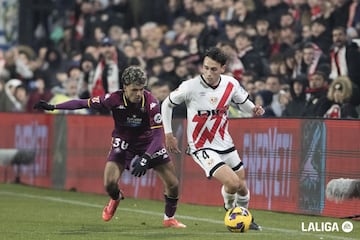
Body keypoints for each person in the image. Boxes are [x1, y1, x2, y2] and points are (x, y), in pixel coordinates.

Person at [33, 66, 186, 228]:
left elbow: (157, 136)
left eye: (141, 89)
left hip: (147, 142)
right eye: (134, 90)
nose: (139, 94)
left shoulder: (152, 102)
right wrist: (54, 107)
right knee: (109, 184)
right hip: (124, 141)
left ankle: (169, 218)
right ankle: (116, 197)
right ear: (124, 87)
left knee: (173, 183)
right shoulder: (113, 99)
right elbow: (83, 103)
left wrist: (146, 158)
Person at [161, 47, 265, 230]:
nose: (208, 73)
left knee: (241, 187)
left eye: (213, 69)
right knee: (232, 183)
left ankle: (245, 217)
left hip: (225, 143)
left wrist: (254, 110)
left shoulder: (231, 84)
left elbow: (245, 106)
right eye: (206, 68)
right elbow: (166, 104)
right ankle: (231, 212)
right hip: (201, 146)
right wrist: (168, 133)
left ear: (223, 68)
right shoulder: (190, 87)